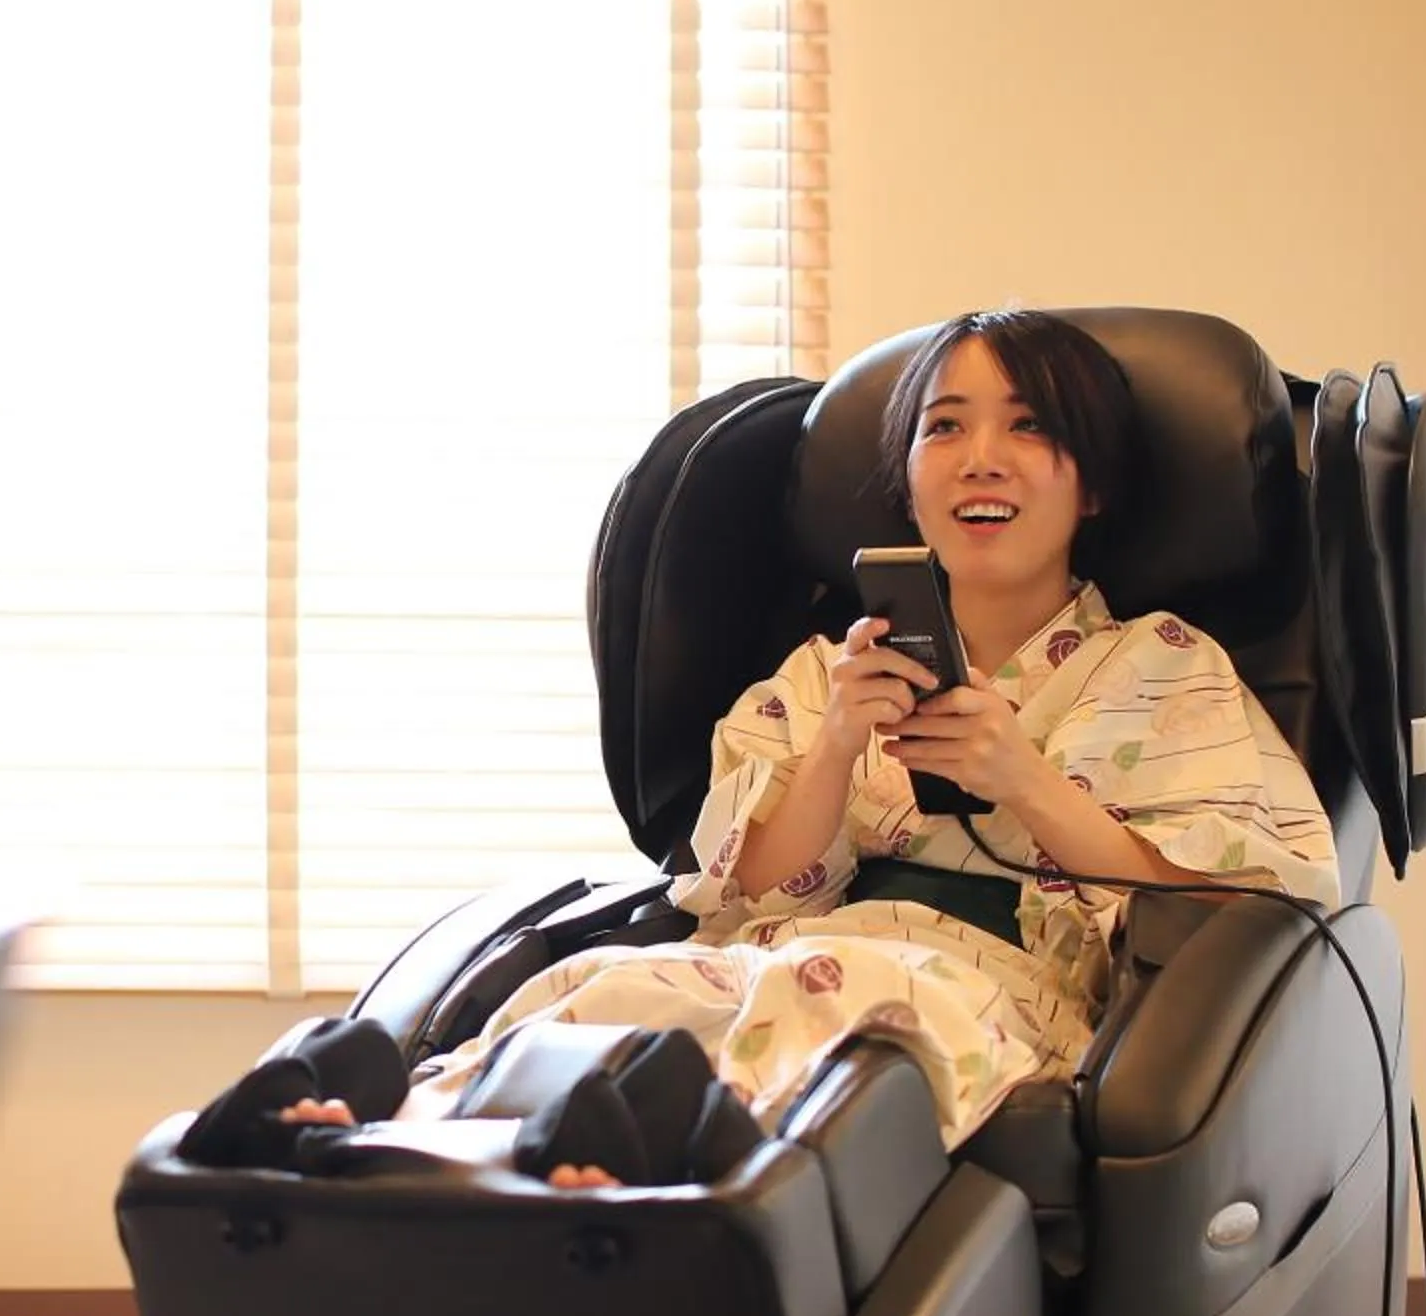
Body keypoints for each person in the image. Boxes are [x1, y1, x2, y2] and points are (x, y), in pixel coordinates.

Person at [277, 307, 1340, 1178]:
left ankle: (648, 1157)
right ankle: (379, 1134)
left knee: (855, 999)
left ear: (1092, 484)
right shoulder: (825, 670)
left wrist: (1026, 782)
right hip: (794, 948)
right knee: (606, 985)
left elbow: (1257, 887)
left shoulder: (1164, 666)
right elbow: (748, 891)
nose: (980, 460)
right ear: (907, 475)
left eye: (1028, 428)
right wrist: (835, 745)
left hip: (996, 993)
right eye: (943, 428)